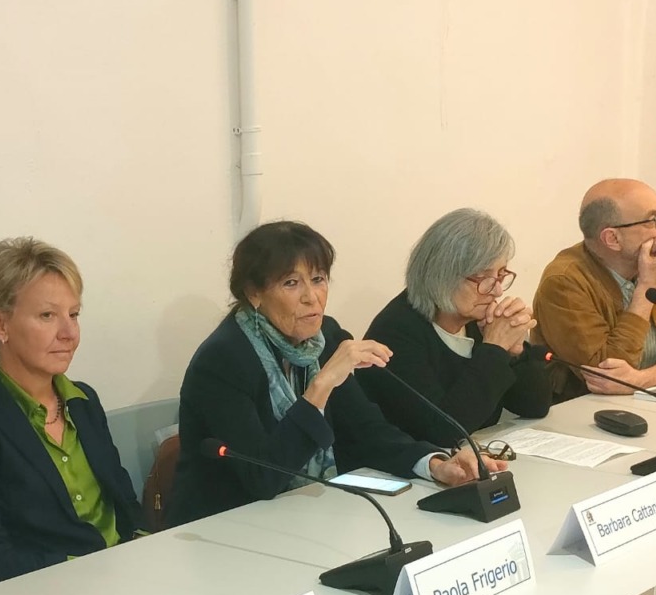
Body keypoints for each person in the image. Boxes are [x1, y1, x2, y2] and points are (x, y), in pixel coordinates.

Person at [167, 220, 505, 526]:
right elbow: (263, 477)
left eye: (318, 279)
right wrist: (322, 385)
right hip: (222, 528)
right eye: (291, 283)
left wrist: (435, 464)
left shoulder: (325, 337)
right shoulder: (224, 360)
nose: (311, 298)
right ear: (254, 293)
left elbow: (367, 432)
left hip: (303, 517)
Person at [0, 237, 140, 593]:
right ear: (0, 325)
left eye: (73, 314)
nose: (69, 333)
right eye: (48, 315)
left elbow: (125, 504)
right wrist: (92, 574)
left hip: (125, 580)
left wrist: (147, 548)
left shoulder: (84, 401)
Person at [358, 208, 551, 446]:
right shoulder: (396, 333)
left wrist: (515, 351)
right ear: (442, 275)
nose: (497, 290)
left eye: (501, 276)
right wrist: (494, 349)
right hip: (410, 463)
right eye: (484, 278)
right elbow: (445, 431)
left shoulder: (478, 319)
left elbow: (535, 406)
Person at [532, 178, 656, 400]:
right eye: (653, 219)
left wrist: (641, 381)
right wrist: (647, 287)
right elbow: (606, 376)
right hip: (586, 410)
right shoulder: (564, 282)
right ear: (612, 238)